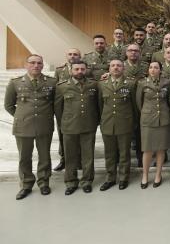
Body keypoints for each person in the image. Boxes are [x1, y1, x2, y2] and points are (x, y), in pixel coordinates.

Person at [4, 54, 57, 200]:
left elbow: (55, 103)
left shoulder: (52, 82)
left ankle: (44, 182)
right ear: (26, 64)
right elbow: (8, 105)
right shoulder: (15, 83)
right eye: (32, 63)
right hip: (23, 126)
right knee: (24, 157)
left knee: (44, 156)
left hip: (44, 124)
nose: (36, 66)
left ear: (42, 65)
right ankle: (26, 185)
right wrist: (21, 117)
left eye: (39, 63)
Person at [54, 60, 99, 195]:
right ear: (71, 71)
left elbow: (98, 105)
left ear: (86, 70)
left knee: (88, 156)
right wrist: (64, 123)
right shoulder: (61, 87)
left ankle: (87, 181)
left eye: (82, 69)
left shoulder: (93, 85)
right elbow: (58, 108)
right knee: (70, 156)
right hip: (69, 126)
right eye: (76, 69)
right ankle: (71, 182)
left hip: (88, 124)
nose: (79, 71)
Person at [98, 59, 136, 191]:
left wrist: (133, 122)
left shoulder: (131, 83)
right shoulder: (102, 84)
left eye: (119, 66)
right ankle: (110, 178)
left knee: (124, 153)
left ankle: (124, 178)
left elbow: (134, 106)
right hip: (107, 123)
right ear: (109, 68)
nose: (116, 68)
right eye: (113, 65)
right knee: (109, 153)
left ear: (123, 68)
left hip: (124, 123)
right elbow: (99, 105)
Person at [136, 62, 170, 188]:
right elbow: (138, 102)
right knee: (147, 149)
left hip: (163, 118)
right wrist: (147, 113)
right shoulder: (142, 83)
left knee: (161, 149)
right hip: (148, 119)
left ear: (160, 70)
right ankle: (145, 175)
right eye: (150, 67)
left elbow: (168, 100)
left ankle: (158, 175)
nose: (153, 69)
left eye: (156, 67)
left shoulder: (167, 83)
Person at [53, 48, 82, 172]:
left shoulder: (83, 69)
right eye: (70, 54)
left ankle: (79, 160)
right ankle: (63, 159)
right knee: (62, 135)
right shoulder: (60, 70)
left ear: (79, 56)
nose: (72, 56)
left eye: (75, 54)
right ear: (66, 56)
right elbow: (56, 89)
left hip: (77, 107)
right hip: (63, 109)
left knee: (80, 136)